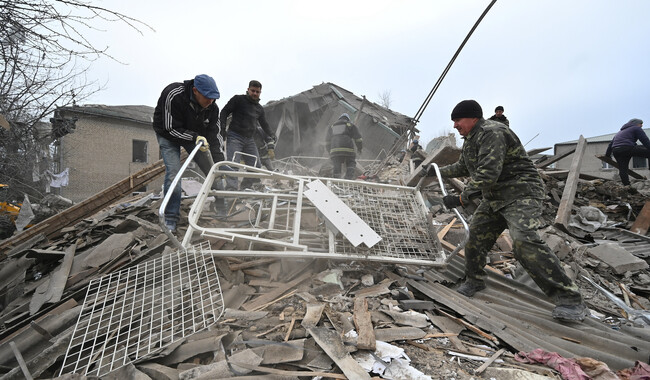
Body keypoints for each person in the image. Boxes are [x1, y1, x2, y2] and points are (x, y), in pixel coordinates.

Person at [428, 99, 586, 322]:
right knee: (474, 237)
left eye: (457, 120)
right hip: (495, 197)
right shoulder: (471, 139)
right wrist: (435, 172)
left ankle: (569, 298)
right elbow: (464, 166)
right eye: (453, 121)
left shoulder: (493, 132)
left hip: (521, 193)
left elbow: (487, 173)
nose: (455, 125)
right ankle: (475, 279)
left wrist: (462, 198)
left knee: (524, 241)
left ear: (473, 118)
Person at [152, 74, 225, 232]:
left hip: (194, 135)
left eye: (213, 99)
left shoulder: (212, 107)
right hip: (168, 133)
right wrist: (194, 137)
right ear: (195, 91)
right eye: (207, 98)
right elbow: (169, 128)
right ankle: (171, 217)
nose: (211, 102)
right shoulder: (173, 94)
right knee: (174, 173)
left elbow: (214, 136)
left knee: (213, 169)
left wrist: (220, 163)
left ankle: (221, 206)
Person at [220, 80, 276, 190]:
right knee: (233, 164)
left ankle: (247, 186)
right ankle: (231, 190)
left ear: (260, 93)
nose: (255, 93)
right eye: (253, 91)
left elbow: (264, 123)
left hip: (249, 140)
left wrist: (272, 134)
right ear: (248, 89)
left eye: (257, 92)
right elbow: (224, 112)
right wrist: (222, 128)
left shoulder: (259, 108)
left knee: (256, 165)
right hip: (235, 136)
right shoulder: (238, 100)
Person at [605, 118, 650, 186]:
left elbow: (611, 144)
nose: (641, 126)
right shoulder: (636, 128)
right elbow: (645, 141)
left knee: (623, 169)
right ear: (636, 123)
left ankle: (627, 186)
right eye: (641, 124)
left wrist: (607, 155)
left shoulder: (620, 132)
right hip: (627, 148)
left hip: (616, 151)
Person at [325, 113, 363, 179]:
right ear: (348, 119)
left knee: (337, 166)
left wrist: (330, 152)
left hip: (334, 150)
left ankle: (336, 182)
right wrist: (359, 148)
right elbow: (358, 139)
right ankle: (348, 179)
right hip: (348, 150)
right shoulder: (350, 125)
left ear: (339, 118)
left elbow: (327, 142)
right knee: (351, 162)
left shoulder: (332, 126)